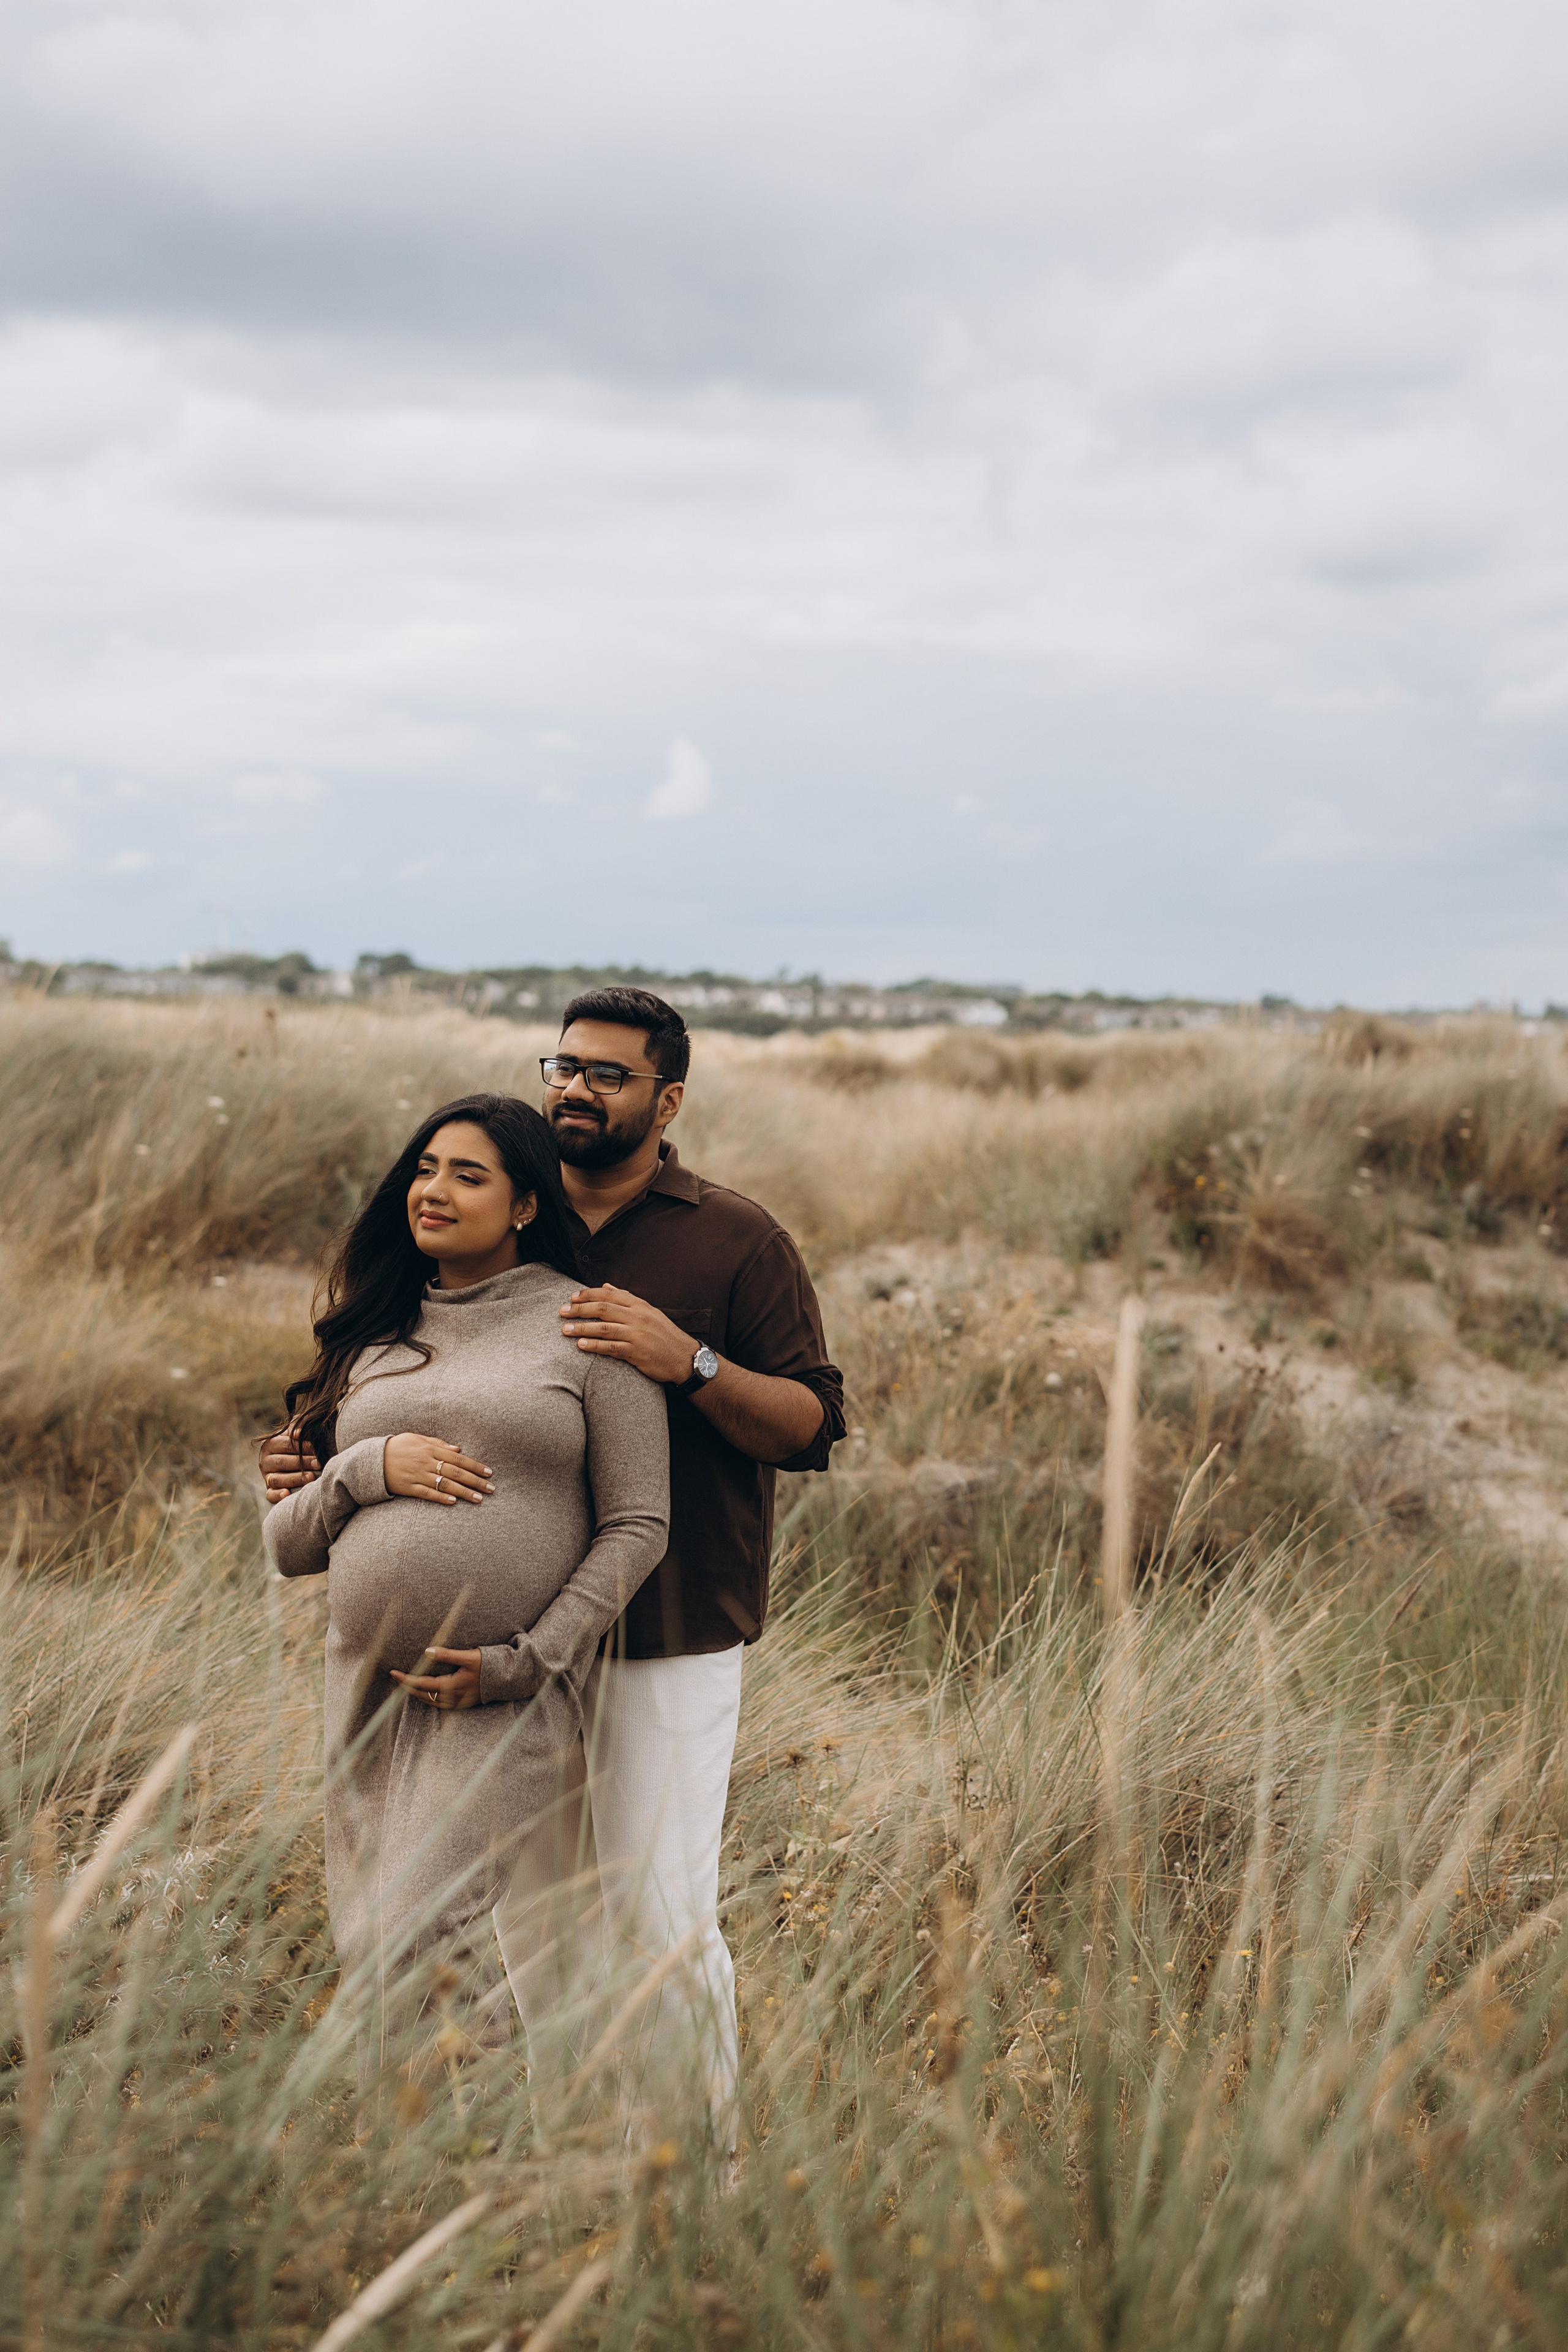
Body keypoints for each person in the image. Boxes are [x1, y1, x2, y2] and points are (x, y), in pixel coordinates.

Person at [265, 991, 845, 2146]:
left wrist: (691, 1361)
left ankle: (691, 2184)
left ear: (666, 1099)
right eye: (564, 1066)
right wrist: (325, 1460)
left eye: (609, 1076)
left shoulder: (732, 1239)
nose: (576, 1089)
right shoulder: (500, 1225)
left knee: (652, 1914)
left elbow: (813, 1426)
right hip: (478, 1670)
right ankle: (570, 2182)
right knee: (528, 1932)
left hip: (661, 1634)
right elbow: (393, 1409)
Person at [262, 1093, 669, 2066]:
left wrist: (526, 1662)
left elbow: (638, 1525)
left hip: (500, 1692)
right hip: (364, 1687)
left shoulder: (586, 1331)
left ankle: (483, 2169)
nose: (433, 1191)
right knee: (373, 1943)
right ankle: (454, 2173)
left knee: (414, 1931)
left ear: (526, 1204)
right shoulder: (371, 1340)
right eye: (425, 1169)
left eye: (467, 1174)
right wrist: (366, 1467)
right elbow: (288, 1544)